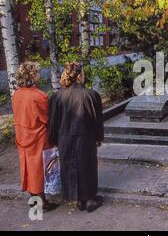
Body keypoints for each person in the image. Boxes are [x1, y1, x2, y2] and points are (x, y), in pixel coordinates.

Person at [48, 62, 104, 212]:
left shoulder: (57, 96)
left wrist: (53, 140)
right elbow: (97, 119)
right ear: (80, 75)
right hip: (86, 137)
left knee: (71, 166)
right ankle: (90, 199)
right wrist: (99, 137)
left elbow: (53, 121)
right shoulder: (92, 94)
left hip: (65, 137)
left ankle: (79, 199)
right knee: (88, 166)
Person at [12, 61, 58, 211]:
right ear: (32, 75)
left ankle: (34, 198)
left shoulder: (16, 94)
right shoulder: (39, 96)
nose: (39, 75)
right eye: (37, 72)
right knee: (38, 169)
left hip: (22, 135)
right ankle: (42, 202)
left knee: (27, 167)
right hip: (38, 137)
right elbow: (47, 118)